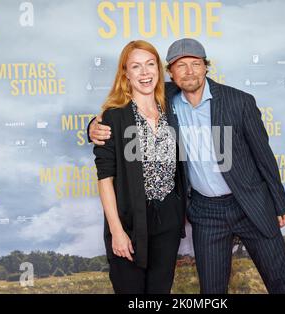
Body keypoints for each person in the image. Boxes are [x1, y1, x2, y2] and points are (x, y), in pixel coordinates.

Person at [89, 38, 285, 294]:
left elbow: (264, 157)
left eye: (195, 64)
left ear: (206, 67)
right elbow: (121, 112)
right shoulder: (166, 99)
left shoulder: (239, 102)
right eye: (180, 66)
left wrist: (279, 201)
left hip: (249, 204)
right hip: (205, 212)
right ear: (170, 73)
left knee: (283, 283)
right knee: (211, 292)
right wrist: (92, 126)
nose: (189, 71)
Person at [93, 40, 186, 294]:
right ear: (126, 73)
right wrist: (116, 232)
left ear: (159, 68)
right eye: (136, 66)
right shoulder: (115, 116)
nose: (144, 73)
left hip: (168, 217)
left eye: (150, 64)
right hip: (130, 221)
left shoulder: (171, 104)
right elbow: (105, 179)